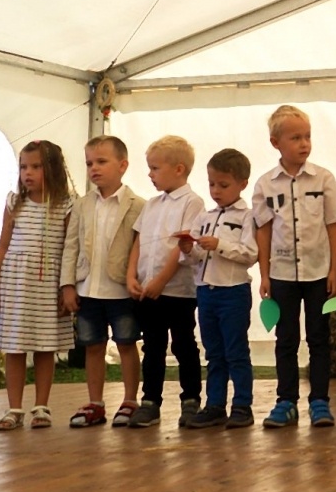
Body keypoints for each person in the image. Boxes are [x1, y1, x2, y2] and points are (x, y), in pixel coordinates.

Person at [254, 105, 336, 429]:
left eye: (307, 136)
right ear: (275, 142)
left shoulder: (323, 178)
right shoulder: (266, 184)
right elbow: (263, 229)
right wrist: (264, 273)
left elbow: (334, 223)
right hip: (281, 275)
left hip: (318, 272)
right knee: (286, 338)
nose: (304, 143)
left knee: (319, 337)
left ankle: (320, 401)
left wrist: (335, 269)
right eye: (295, 138)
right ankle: (286, 401)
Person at [60, 135, 145, 429]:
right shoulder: (82, 205)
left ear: (122, 165)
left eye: (101, 162)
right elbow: (70, 246)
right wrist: (67, 285)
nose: (94, 168)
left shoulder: (138, 206)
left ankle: (131, 399)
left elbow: (140, 247)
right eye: (89, 163)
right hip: (88, 289)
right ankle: (95, 402)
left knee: (126, 343)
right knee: (92, 346)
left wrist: (135, 279)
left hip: (121, 290)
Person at [0, 141, 74, 431]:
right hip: (16, 282)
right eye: (24, 167)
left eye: (36, 166)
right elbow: (2, 246)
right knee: (14, 346)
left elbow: (70, 249)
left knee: (44, 345)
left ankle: (42, 406)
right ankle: (14, 408)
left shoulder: (67, 204)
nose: (28, 173)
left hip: (48, 284)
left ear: (52, 169)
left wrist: (67, 287)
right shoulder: (15, 202)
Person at [126, 136, 204, 428]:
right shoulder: (151, 205)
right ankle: (150, 401)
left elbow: (182, 245)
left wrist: (161, 279)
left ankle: (191, 399)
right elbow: (138, 241)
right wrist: (131, 275)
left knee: (184, 344)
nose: (150, 174)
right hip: (148, 289)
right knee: (153, 346)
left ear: (179, 169)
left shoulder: (192, 202)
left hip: (178, 291)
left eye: (155, 168)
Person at [182, 149, 260, 430]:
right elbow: (193, 259)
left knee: (236, 350)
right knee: (213, 352)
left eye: (223, 185)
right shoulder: (204, 216)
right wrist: (188, 249)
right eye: (212, 183)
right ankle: (215, 404)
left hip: (233, 291)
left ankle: (242, 405)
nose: (216, 191)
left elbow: (251, 254)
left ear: (242, 183)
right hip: (206, 291)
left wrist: (221, 245)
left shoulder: (248, 217)